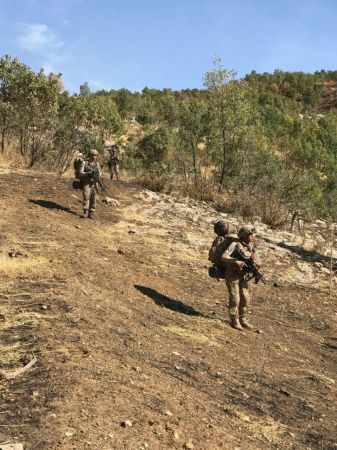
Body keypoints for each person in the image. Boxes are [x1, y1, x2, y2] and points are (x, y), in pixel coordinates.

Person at [220, 225, 257, 331]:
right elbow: (224, 256)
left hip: (243, 275)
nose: (252, 236)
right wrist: (235, 261)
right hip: (232, 274)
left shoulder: (249, 246)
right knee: (235, 299)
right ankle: (234, 320)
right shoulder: (235, 244)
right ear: (244, 235)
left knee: (246, 298)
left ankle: (243, 318)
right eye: (250, 234)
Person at [78, 149, 101, 219]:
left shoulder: (97, 164)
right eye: (93, 155)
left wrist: (97, 182)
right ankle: (85, 212)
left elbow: (99, 174)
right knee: (86, 197)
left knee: (93, 198)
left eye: (96, 155)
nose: (95, 157)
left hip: (94, 182)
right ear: (90, 155)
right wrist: (88, 173)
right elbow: (80, 173)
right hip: (86, 182)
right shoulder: (84, 163)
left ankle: (91, 213)